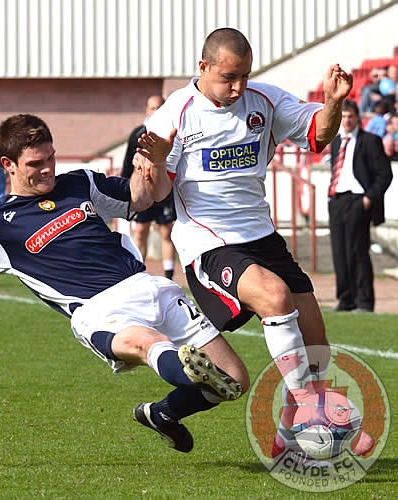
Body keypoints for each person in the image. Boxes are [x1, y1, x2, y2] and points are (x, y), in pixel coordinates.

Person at [0, 113, 248, 454]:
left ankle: (163, 413)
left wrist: (149, 164)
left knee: (235, 379)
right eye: (35, 163)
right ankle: (188, 373)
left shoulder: (81, 183)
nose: (47, 168)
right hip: (99, 312)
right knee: (149, 343)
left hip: (147, 286)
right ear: (8, 165)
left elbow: (140, 199)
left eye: (51, 158)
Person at [135, 27, 373, 458]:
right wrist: (154, 162)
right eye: (229, 77)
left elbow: (317, 135)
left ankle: (286, 436)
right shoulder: (175, 114)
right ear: (203, 67)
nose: (238, 87)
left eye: (244, 75)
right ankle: (312, 412)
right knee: (275, 297)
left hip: (262, 237)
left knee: (315, 341)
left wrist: (333, 102)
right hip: (208, 242)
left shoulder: (263, 100)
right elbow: (157, 193)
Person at [328, 99, 392, 312]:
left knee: (357, 252)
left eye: (351, 117)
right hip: (337, 200)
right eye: (344, 117)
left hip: (358, 200)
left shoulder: (370, 141)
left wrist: (369, 198)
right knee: (339, 252)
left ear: (358, 118)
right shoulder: (336, 141)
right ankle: (345, 299)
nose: (347, 121)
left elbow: (384, 174)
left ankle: (364, 301)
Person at [121, 95, 177, 279]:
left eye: (160, 107)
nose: (156, 111)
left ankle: (169, 276)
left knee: (166, 232)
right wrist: (124, 190)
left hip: (165, 190)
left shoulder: (171, 132)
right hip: (144, 192)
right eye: (153, 108)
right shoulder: (138, 133)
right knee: (140, 231)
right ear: (147, 110)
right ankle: (139, 273)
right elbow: (128, 163)